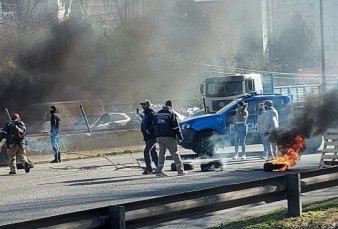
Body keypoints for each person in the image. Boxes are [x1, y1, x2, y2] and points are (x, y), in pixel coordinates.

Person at [154, 100, 186, 177]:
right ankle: (180, 171)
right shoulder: (171, 113)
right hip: (169, 136)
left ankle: (159, 171)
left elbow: (154, 124)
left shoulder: (158, 113)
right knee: (175, 153)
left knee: (162, 153)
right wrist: (180, 136)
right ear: (171, 105)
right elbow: (175, 127)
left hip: (159, 136)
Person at [138, 99, 158, 175]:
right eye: (142, 105)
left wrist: (149, 130)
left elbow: (155, 124)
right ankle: (158, 167)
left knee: (146, 151)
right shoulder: (146, 113)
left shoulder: (151, 113)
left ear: (148, 105)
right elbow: (145, 121)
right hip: (147, 136)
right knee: (153, 152)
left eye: (144, 104)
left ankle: (149, 169)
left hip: (152, 136)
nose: (142, 106)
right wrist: (139, 114)